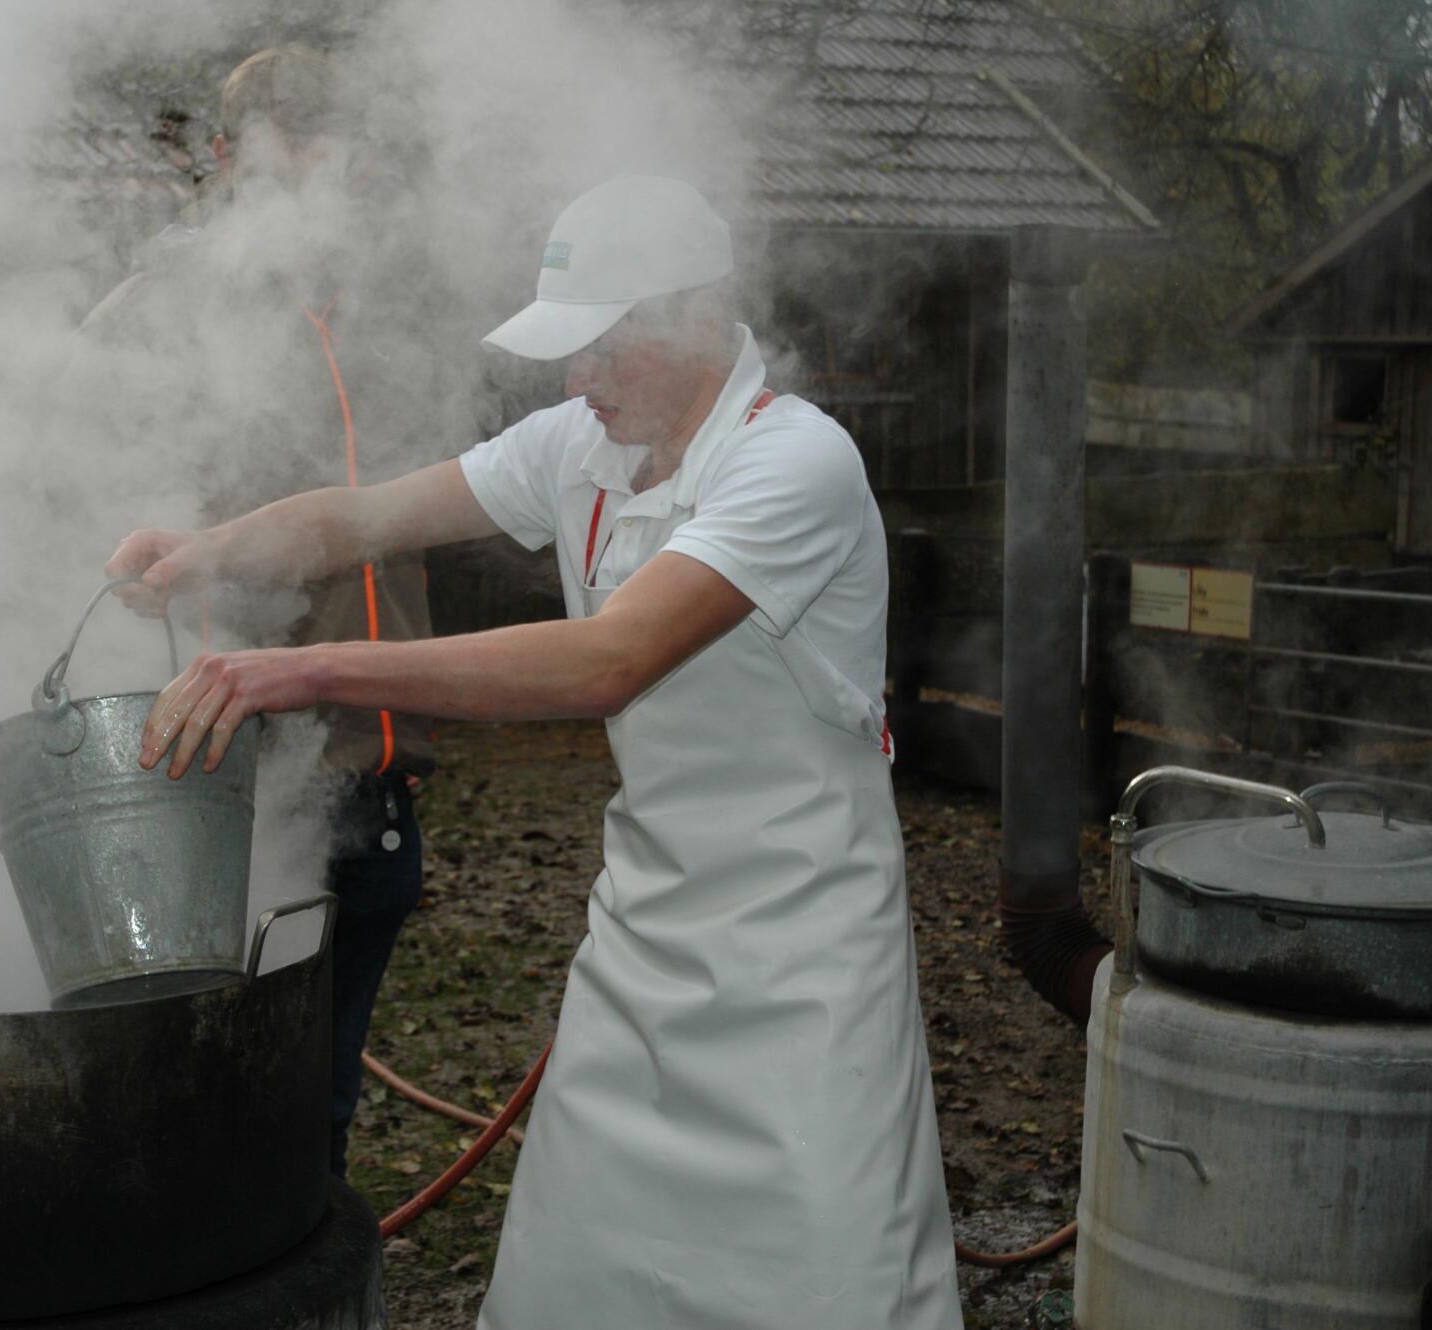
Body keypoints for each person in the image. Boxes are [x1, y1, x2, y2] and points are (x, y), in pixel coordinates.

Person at [106, 174, 963, 1329]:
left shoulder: (793, 464)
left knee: (812, 1282)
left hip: (802, 954)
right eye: (571, 353)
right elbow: (361, 518)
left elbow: (606, 659)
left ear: (698, 317)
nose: (577, 380)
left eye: (606, 348)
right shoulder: (580, 445)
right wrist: (202, 552)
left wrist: (305, 669)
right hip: (646, 932)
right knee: (582, 1280)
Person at [80, 46, 443, 1177]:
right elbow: (72, 516)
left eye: (346, 142)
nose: (331, 168)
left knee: (320, 1099)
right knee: (210, 1092)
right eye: (299, 141)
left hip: (374, 765)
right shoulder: (153, 318)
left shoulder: (392, 311)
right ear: (230, 158)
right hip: (228, 771)